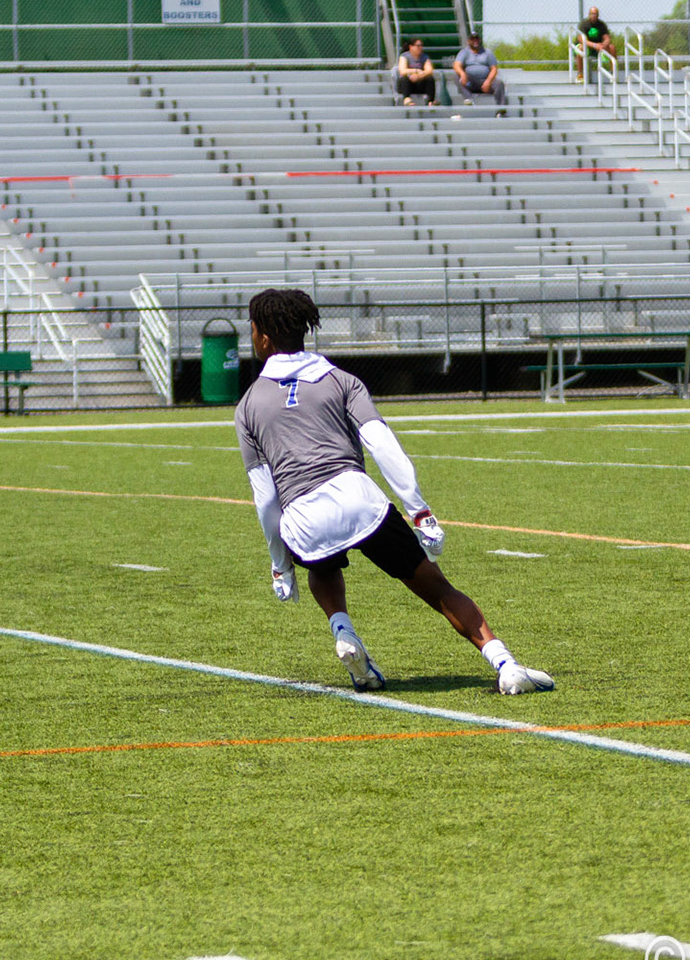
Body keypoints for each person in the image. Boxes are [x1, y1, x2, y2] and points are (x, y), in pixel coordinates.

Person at [236, 288, 555, 695]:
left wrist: (280, 563)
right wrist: (418, 511)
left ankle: (343, 631)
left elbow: (266, 497)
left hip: (304, 519)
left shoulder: (247, 406)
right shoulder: (342, 381)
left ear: (263, 336)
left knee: (322, 568)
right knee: (438, 589)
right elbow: (383, 446)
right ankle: (504, 663)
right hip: (359, 501)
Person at [451, 31, 508, 109]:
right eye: (472, 39)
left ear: (480, 40)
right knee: (456, 76)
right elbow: (456, 65)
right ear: (468, 41)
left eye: (477, 39)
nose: (475, 41)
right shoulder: (464, 52)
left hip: (485, 82)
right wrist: (462, 74)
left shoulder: (487, 52)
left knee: (499, 83)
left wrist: (488, 81)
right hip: (470, 83)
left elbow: (494, 69)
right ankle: (468, 98)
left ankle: (501, 110)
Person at [576, 6, 615, 82]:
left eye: (595, 14)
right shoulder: (584, 24)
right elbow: (581, 40)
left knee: (612, 48)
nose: (594, 15)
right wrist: (594, 45)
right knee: (581, 48)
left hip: (599, 48)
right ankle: (580, 74)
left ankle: (613, 73)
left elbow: (607, 38)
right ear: (589, 14)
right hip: (587, 47)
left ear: (598, 15)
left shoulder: (601, 24)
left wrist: (603, 45)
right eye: (592, 14)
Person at [394, 37, 436, 107]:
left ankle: (431, 101)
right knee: (404, 79)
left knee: (430, 79)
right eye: (418, 46)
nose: (420, 48)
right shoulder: (404, 56)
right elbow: (402, 71)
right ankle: (406, 99)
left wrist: (419, 76)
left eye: (421, 46)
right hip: (408, 83)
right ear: (411, 47)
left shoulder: (424, 57)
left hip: (419, 82)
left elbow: (429, 70)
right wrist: (416, 71)